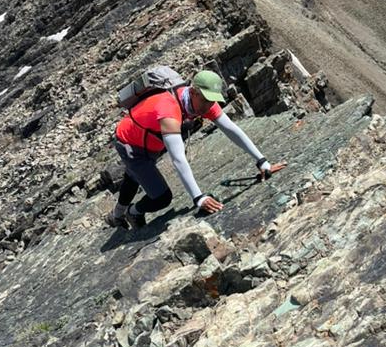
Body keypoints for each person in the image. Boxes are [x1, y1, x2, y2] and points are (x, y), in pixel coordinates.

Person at [108, 69, 286, 228]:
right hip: (130, 144)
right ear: (193, 92)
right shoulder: (168, 108)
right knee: (162, 197)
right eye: (206, 100)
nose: (209, 106)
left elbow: (231, 129)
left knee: (134, 176)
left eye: (212, 100)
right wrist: (198, 197)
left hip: (147, 139)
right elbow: (178, 158)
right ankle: (132, 212)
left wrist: (262, 161)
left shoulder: (201, 101)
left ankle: (116, 215)